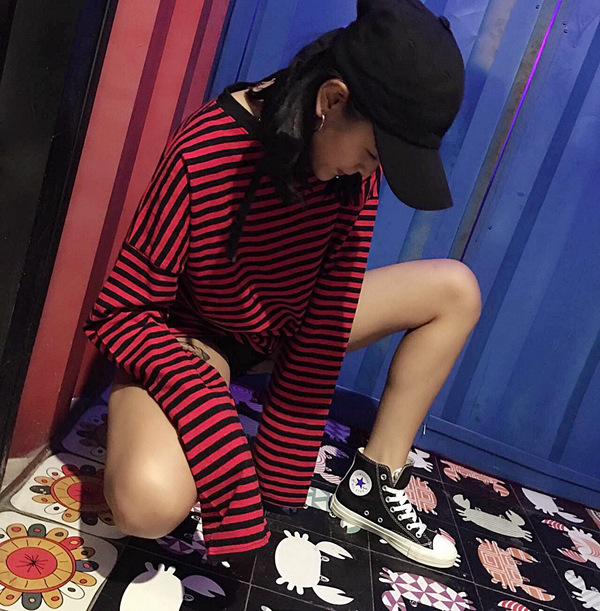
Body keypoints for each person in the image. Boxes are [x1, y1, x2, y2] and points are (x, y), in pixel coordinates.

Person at [84, 0, 480, 569]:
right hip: (199, 337)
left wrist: (278, 478)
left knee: (456, 290)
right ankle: (193, 411)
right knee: (147, 506)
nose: (371, 173)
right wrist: (210, 420)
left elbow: (325, 323)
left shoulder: (352, 179)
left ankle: (373, 480)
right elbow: (121, 314)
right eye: (373, 153)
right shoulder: (209, 147)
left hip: (284, 325)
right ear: (332, 101)